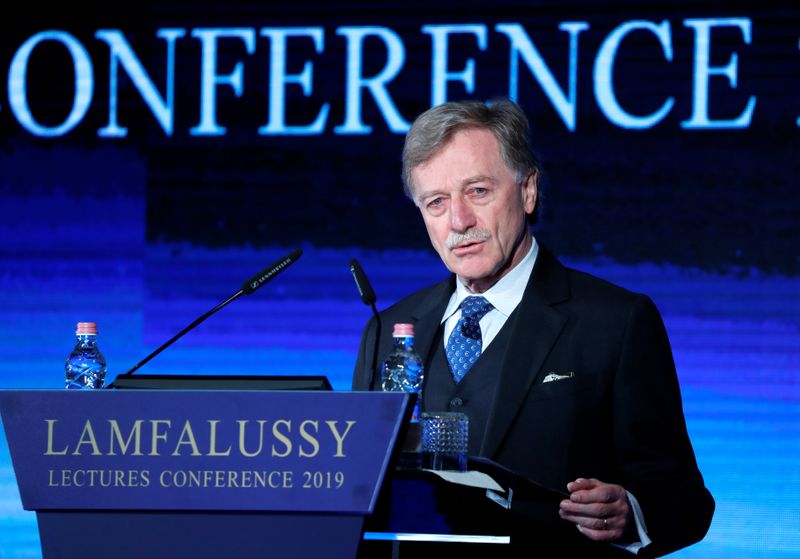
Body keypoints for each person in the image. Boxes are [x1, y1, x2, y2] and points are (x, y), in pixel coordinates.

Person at [352, 98, 714, 558]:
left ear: (527, 191)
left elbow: (683, 498)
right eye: (436, 202)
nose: (458, 222)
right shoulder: (385, 331)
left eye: (478, 191)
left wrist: (630, 514)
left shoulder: (614, 322)